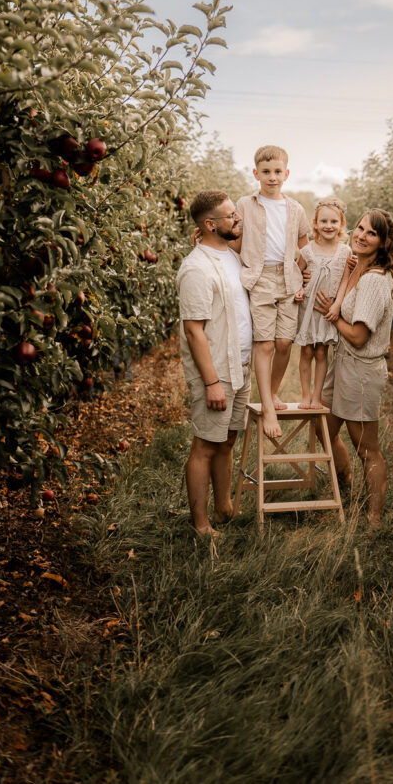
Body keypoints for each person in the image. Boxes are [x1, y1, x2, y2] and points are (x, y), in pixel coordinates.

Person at [315, 208, 393, 528]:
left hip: (362, 369)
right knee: (322, 427)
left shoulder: (376, 281)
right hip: (342, 363)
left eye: (372, 233)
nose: (362, 235)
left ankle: (373, 517)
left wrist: (334, 318)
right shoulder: (359, 268)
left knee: (366, 447)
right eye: (360, 228)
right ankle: (345, 481)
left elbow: (361, 337)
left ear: (383, 242)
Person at [176, 189, 253, 536]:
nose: (237, 219)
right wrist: (211, 383)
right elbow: (194, 331)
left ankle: (223, 509)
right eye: (230, 216)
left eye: (236, 213)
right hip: (217, 371)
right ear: (209, 224)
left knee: (227, 441)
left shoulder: (231, 256)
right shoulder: (196, 268)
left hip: (240, 366)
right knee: (205, 446)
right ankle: (201, 524)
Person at [234, 145, 310, 439]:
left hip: (288, 277)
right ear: (256, 174)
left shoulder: (296, 209)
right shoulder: (245, 205)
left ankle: (273, 392)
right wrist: (209, 240)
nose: (272, 177)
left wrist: (308, 276)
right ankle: (267, 407)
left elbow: (305, 247)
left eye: (278, 172)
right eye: (266, 172)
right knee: (264, 344)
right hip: (260, 276)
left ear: (286, 174)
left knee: (284, 342)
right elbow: (235, 240)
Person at [294, 198, 353, 409]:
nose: (329, 226)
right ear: (315, 224)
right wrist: (299, 289)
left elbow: (345, 280)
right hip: (309, 307)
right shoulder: (307, 251)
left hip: (327, 308)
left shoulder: (345, 252)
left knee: (321, 352)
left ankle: (317, 397)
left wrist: (337, 305)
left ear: (341, 225)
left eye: (334, 222)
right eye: (324, 221)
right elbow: (297, 274)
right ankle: (305, 396)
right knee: (307, 351)